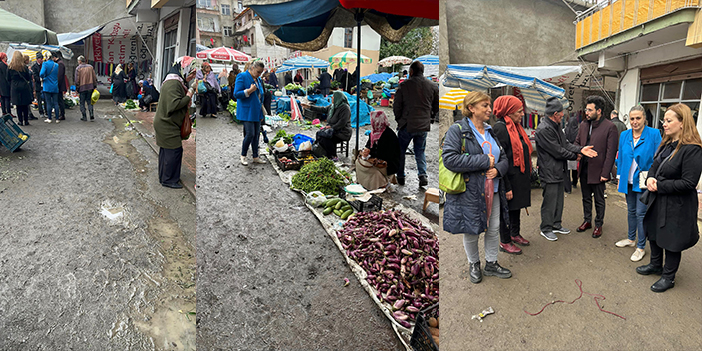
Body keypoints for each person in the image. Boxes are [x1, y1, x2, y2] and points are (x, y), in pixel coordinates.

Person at [442, 91, 512, 284]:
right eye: (485, 106)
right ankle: (474, 263)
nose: (490, 109)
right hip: (470, 191)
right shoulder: (458, 130)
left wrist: (497, 169)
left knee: (493, 228)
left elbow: (504, 158)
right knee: (472, 229)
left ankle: (491, 263)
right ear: (471, 108)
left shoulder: (490, 131)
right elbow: (449, 159)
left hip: (494, 189)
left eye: (489, 105)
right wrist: (484, 161)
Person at [636, 103, 702, 293]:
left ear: (682, 123)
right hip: (658, 199)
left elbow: (689, 183)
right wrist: (649, 179)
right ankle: (656, 265)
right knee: (654, 232)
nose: (664, 123)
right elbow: (655, 166)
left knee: (672, 239)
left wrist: (660, 185)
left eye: (669, 120)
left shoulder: (693, 149)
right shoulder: (667, 144)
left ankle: (668, 277)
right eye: (664, 120)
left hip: (677, 204)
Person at [535, 97, 598, 241]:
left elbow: (566, 144)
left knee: (558, 201)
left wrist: (581, 150)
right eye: (561, 112)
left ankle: (556, 225)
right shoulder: (544, 129)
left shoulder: (556, 126)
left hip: (558, 170)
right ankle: (546, 228)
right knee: (549, 202)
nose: (563, 115)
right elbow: (557, 151)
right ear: (555, 114)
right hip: (549, 171)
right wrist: (574, 156)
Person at [614, 105, 662, 262]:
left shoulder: (654, 134)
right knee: (631, 211)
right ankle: (630, 239)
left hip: (644, 180)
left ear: (644, 119)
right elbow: (621, 156)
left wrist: (655, 177)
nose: (635, 121)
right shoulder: (624, 135)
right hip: (627, 179)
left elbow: (659, 158)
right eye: (632, 118)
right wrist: (619, 176)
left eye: (638, 118)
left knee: (641, 213)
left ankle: (641, 247)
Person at [574, 95, 619, 238]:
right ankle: (587, 221)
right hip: (584, 168)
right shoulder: (583, 125)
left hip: (599, 171)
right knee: (585, 197)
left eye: (589, 110)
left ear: (599, 111)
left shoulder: (610, 127)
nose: (586, 112)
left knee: (599, 199)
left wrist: (606, 173)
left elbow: (611, 153)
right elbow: (576, 143)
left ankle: (598, 224)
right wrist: (579, 152)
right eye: (586, 109)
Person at [492, 96, 532, 255]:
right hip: (509, 178)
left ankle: (515, 233)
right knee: (506, 210)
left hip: (519, 178)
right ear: (509, 111)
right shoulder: (501, 129)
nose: (522, 114)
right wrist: (506, 186)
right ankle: (505, 240)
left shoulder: (515, 126)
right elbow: (501, 159)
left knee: (516, 207)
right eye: (519, 111)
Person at [153, 57, 198, 189]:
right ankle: (169, 180)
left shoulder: (176, 81)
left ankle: (164, 177)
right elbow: (174, 105)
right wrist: (190, 93)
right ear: (184, 69)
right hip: (167, 124)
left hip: (167, 123)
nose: (193, 76)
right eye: (192, 73)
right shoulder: (174, 83)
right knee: (174, 151)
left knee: (166, 152)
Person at [392, 61, 439, 187]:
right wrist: (431, 117)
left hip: (407, 124)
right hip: (423, 125)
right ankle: (422, 175)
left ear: (411, 72)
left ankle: (400, 176)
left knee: (401, 151)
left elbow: (396, 106)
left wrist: (399, 120)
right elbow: (436, 105)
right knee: (420, 150)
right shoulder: (433, 86)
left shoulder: (404, 86)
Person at [356, 110, 401, 190]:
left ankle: (382, 183)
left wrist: (371, 154)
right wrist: (365, 151)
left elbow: (386, 155)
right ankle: (367, 183)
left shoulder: (389, 135)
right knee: (358, 162)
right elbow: (368, 145)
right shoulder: (373, 133)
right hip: (376, 158)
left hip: (389, 163)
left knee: (368, 167)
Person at [234, 60, 267, 166]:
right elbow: (236, 94)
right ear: (252, 68)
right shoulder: (242, 76)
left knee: (257, 134)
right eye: (258, 72)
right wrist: (249, 91)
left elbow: (260, 95)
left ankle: (255, 156)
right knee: (250, 134)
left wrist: (261, 113)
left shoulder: (258, 79)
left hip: (256, 111)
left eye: (261, 73)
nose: (259, 74)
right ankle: (243, 155)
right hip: (247, 111)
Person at [303, 90, 352, 160]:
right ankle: (324, 153)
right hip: (332, 129)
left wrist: (331, 127)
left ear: (338, 98)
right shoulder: (333, 106)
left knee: (326, 138)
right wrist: (309, 107)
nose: (332, 98)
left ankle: (333, 155)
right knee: (319, 134)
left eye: (333, 96)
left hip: (343, 132)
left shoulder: (345, 108)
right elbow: (323, 109)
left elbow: (342, 122)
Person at [7, 52, 33, 126]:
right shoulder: (24, 67)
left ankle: (20, 121)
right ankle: (26, 120)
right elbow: (28, 77)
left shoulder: (10, 67)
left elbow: (8, 78)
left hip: (15, 88)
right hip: (24, 87)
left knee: (18, 106)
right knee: (25, 105)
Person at [74, 55, 98, 121]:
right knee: (89, 102)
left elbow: (77, 80)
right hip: (90, 87)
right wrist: (95, 86)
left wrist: (77, 89)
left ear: (80, 61)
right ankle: (91, 114)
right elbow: (94, 77)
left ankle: (84, 116)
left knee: (82, 103)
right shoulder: (90, 67)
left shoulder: (78, 68)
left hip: (82, 88)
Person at [40, 52, 60, 123]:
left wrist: (44, 77)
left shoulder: (45, 64)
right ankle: (57, 118)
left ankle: (49, 118)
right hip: (55, 85)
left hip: (47, 86)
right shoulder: (56, 65)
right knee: (55, 103)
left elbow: (41, 73)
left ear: (46, 57)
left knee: (48, 102)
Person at [564, 113, 581, 191]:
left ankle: (567, 187)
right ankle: (574, 182)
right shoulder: (578, 131)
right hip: (575, 151)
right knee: (575, 169)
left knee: (567, 169)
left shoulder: (565, 130)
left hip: (566, 151)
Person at [31, 52, 45, 120]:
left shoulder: (44, 65)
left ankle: (46, 111)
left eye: (42, 58)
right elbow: (35, 76)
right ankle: (41, 112)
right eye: (40, 59)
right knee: (39, 99)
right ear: (37, 59)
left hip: (44, 85)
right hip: (38, 85)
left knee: (45, 98)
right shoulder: (34, 67)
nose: (41, 60)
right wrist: (40, 79)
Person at [55, 53, 67, 120]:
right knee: (59, 100)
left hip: (60, 85)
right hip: (60, 85)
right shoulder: (60, 63)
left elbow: (59, 76)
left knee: (60, 100)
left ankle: (62, 114)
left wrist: (57, 84)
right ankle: (60, 113)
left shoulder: (60, 64)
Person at [0, 52, 11, 117]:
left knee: (2, 98)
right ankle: (8, 112)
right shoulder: (4, 65)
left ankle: (4, 111)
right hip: (5, 84)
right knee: (6, 98)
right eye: (6, 57)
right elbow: (6, 75)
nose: (7, 58)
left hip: (1, 84)